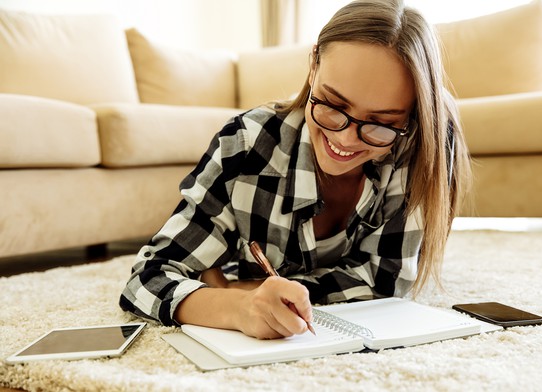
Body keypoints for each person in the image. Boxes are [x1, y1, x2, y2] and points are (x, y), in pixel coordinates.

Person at [120, 0, 471, 339]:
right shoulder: (246, 144)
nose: (345, 139)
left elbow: (387, 285)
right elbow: (147, 279)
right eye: (332, 104)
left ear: (410, 116)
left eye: (381, 124)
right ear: (314, 62)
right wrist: (237, 307)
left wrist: (243, 287)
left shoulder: (426, 145)